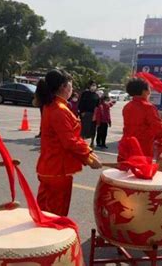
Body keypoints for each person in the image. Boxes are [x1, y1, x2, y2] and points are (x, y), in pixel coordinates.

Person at [35, 70, 102, 216]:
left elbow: (70, 138)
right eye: (71, 85)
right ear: (63, 87)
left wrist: (89, 154)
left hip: (49, 167)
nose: (72, 88)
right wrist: (88, 157)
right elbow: (69, 141)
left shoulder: (51, 105)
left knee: (43, 213)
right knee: (55, 216)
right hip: (58, 170)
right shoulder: (59, 109)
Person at [122, 78, 162, 158]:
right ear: (144, 91)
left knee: (126, 167)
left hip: (126, 144)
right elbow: (156, 127)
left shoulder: (127, 106)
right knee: (142, 168)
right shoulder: (148, 107)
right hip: (142, 146)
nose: (150, 91)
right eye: (149, 89)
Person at [78, 80, 100, 148]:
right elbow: (81, 103)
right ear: (89, 86)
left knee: (93, 129)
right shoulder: (85, 93)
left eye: (95, 85)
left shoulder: (96, 95)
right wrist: (82, 112)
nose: (93, 87)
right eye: (92, 85)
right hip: (85, 114)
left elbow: (97, 106)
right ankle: (82, 142)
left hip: (93, 114)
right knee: (84, 129)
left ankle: (92, 142)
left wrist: (95, 115)